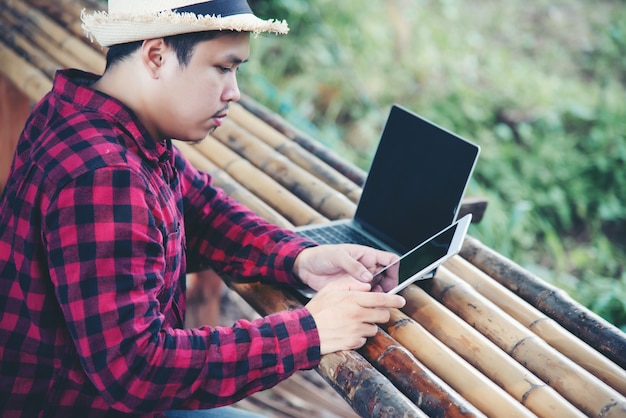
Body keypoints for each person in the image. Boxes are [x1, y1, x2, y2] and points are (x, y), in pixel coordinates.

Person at [0, 1, 405, 417]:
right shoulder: (104, 173)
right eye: (223, 68)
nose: (234, 92)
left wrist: (301, 258)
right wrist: (312, 331)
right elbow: (139, 371)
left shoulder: (93, 118)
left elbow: (203, 214)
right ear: (156, 56)